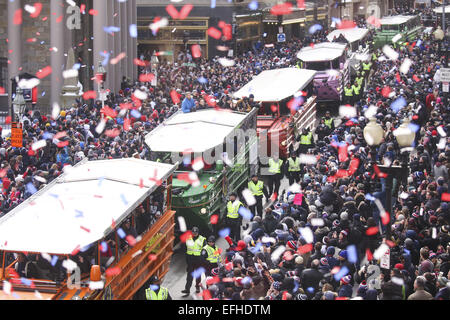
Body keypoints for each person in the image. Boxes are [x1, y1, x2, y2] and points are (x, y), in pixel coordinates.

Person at [182, 226, 206, 297]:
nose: (194, 233)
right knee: (189, 275)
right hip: (190, 259)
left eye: (196, 232)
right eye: (193, 232)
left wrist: (202, 258)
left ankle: (197, 287)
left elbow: (204, 249)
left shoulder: (202, 239)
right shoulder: (188, 238)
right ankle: (187, 289)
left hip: (198, 259)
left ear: (198, 232)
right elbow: (184, 247)